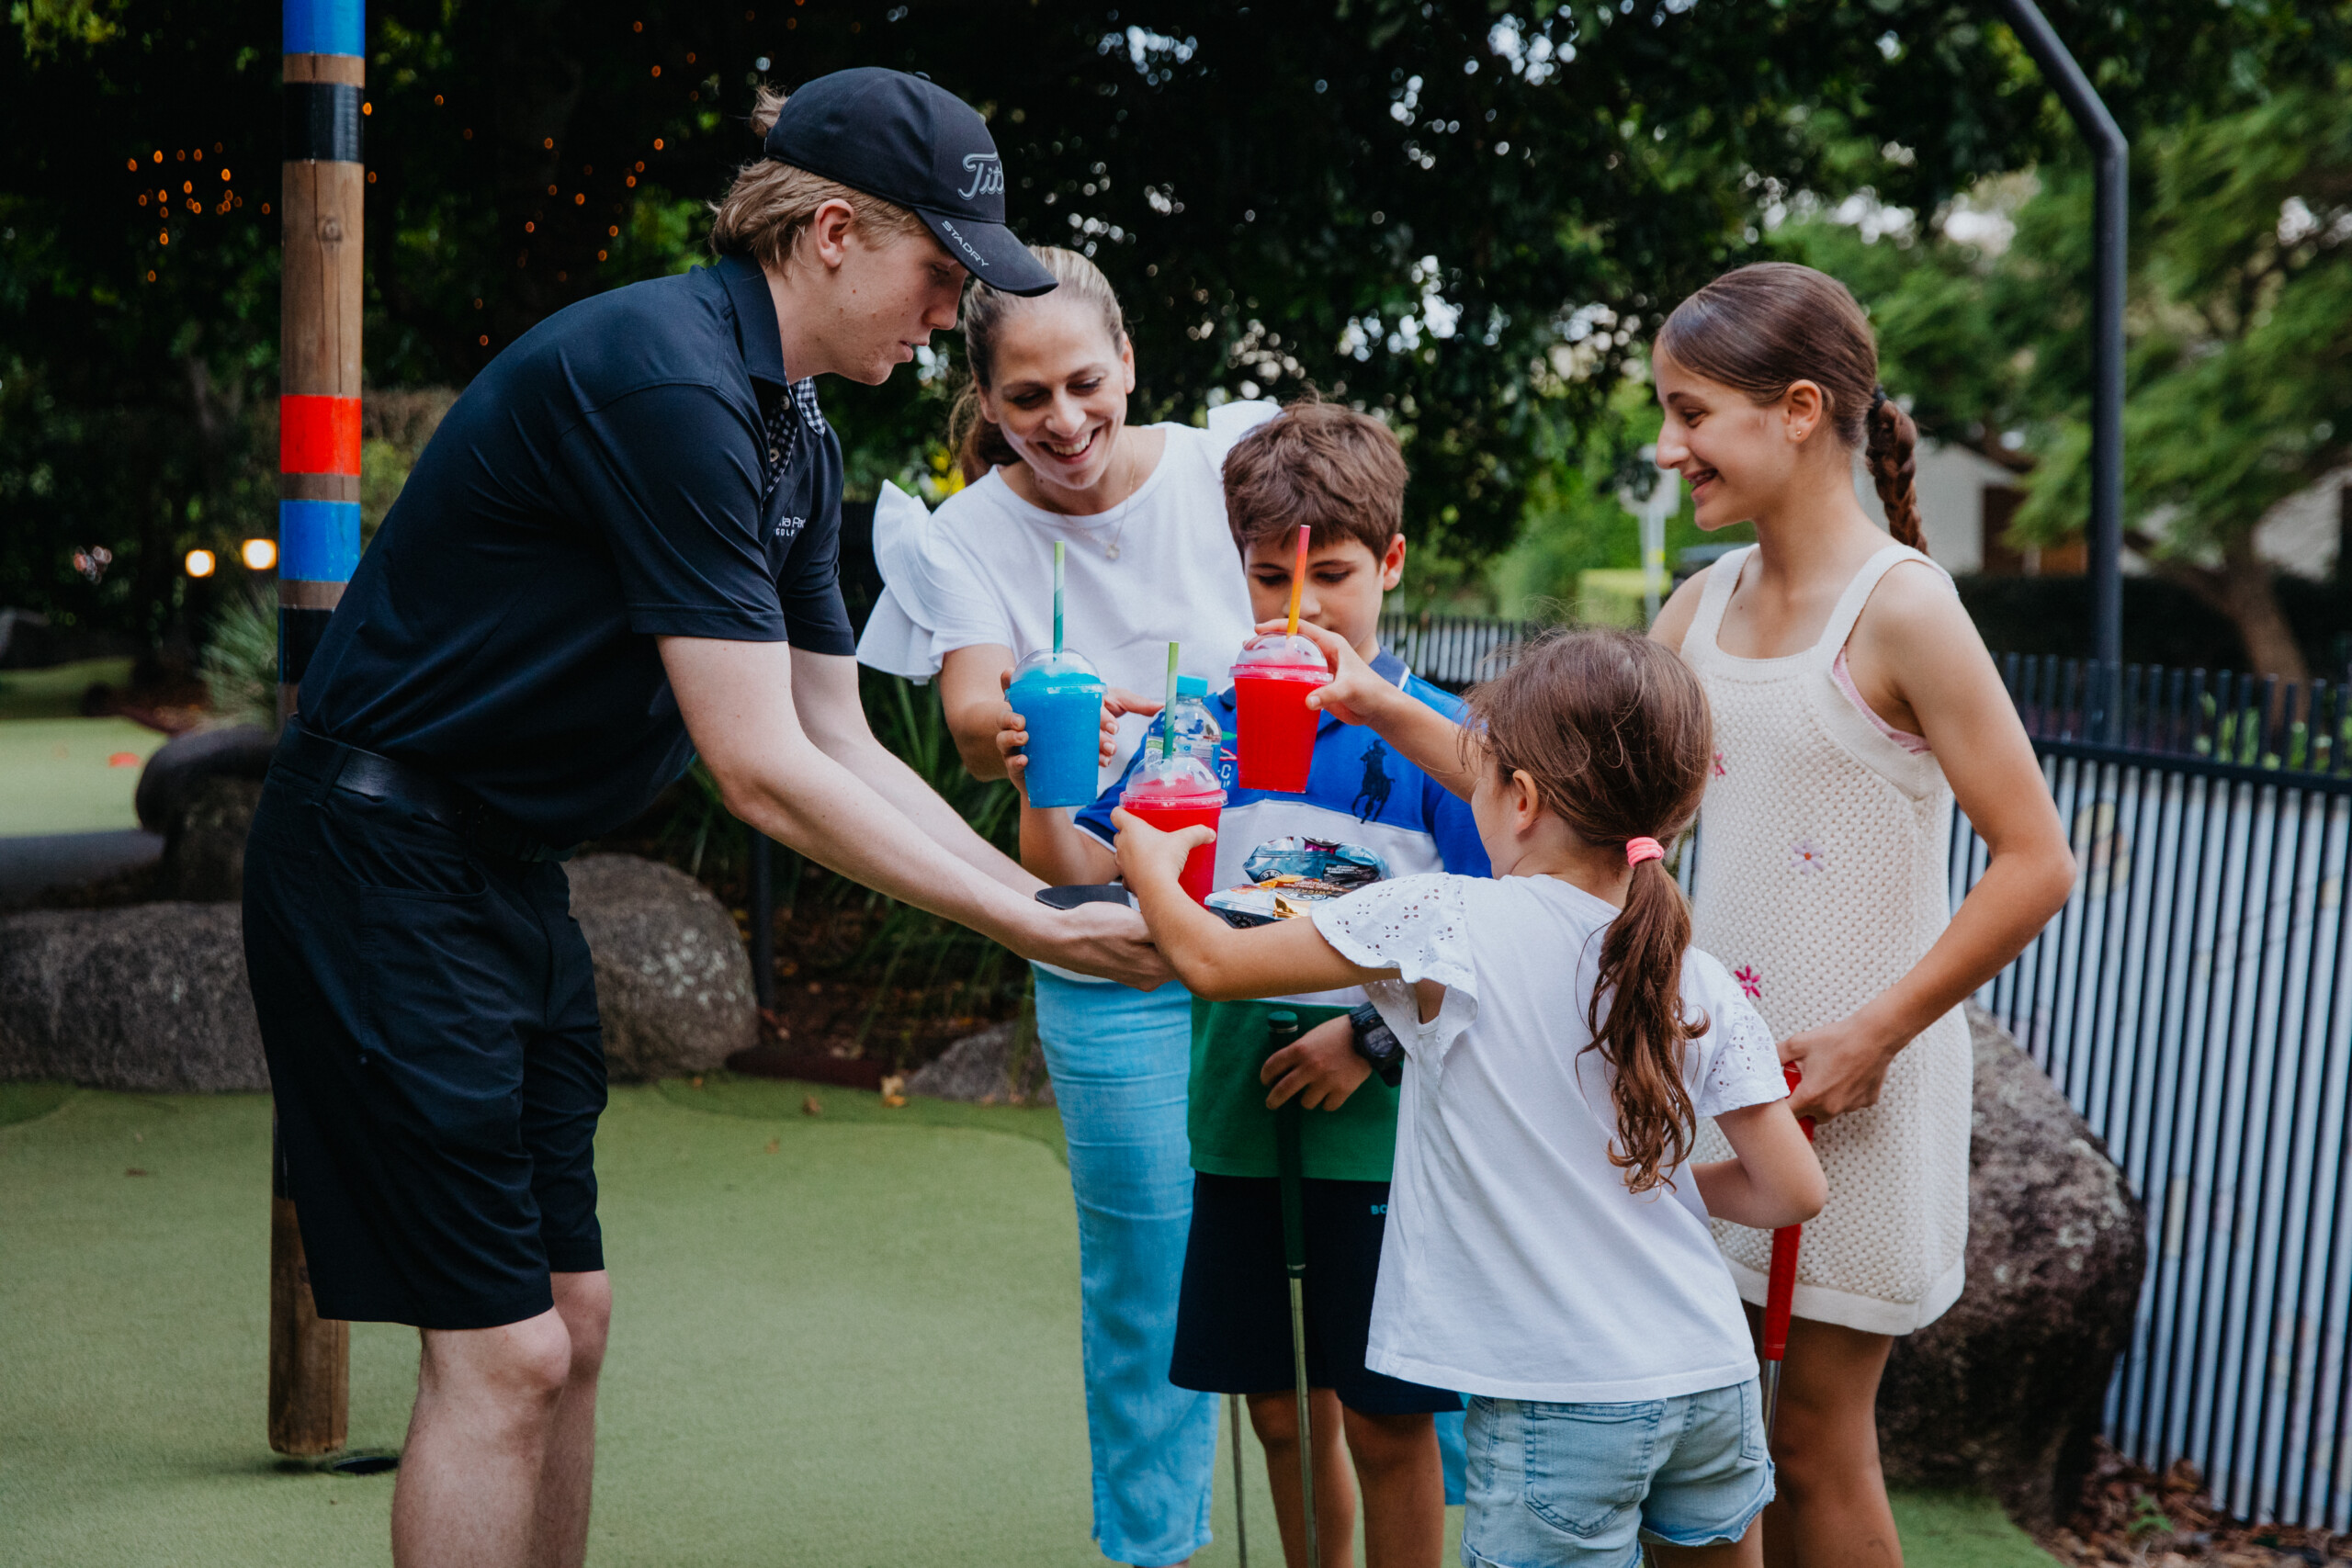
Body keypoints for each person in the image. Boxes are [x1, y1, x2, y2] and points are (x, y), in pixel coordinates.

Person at [242, 71, 1163, 1568]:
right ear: (835, 233)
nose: (953, 314)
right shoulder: (666, 382)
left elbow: (834, 733)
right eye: (941, 270)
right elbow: (759, 770)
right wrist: (1030, 922)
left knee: (574, 1317)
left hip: (497, 869)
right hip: (378, 865)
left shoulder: (792, 425)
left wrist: (1045, 902)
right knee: (506, 1352)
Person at [1109, 626, 1828, 1568]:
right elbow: (1791, 1190)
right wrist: (1645, 1180)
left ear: (1520, 798)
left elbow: (1210, 961)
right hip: (1710, 1379)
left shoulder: (1441, 917)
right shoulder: (1695, 974)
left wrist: (1150, 867)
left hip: (1561, 1399)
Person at [1645, 262, 2076, 1568]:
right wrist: (1383, 706)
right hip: (1716, 1076)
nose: (1666, 447)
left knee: (1810, 1438)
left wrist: (1873, 1034)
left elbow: (2035, 861)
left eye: (1689, 413)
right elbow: (1593, 807)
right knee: (1695, 1426)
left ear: (1795, 410)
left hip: (1856, 1093)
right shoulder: (1699, 604)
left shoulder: (1904, 607)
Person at [1013, 401, 1487, 1568]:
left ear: (1390, 563)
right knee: (1278, 1408)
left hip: (1386, 1133)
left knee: (1385, 1418)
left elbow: (1494, 938)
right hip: (1234, 1110)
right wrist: (1046, 773)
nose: (1297, 608)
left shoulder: (1441, 743)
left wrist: (1366, 1042)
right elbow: (1074, 876)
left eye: (1330, 575)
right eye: (1269, 575)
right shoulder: (1200, 736)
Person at [854, 246, 1264, 1567]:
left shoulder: (1228, 472)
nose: (1065, 420)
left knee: (1336, 1258)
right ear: (986, 399)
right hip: (1103, 944)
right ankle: (1153, 1548)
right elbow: (972, 717)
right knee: (1145, 1281)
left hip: (1276, 934)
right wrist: (1014, 730)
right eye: (1027, 398)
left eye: (1085, 383)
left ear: (1129, 362)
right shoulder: (966, 533)